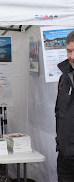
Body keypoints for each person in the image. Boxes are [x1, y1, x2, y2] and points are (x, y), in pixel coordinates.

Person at [55, 30, 74, 182]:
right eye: (69, 51)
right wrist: (60, 143)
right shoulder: (64, 78)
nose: (71, 56)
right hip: (65, 157)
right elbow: (59, 113)